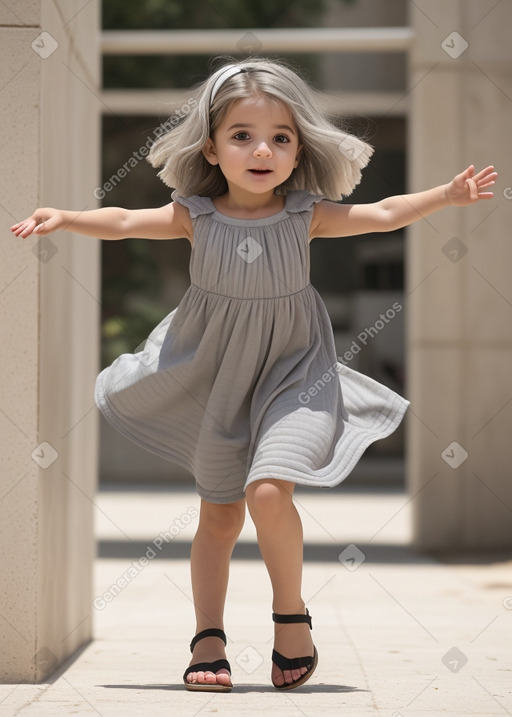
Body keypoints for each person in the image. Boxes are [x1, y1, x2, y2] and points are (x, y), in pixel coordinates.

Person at [11, 57, 496, 693]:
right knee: (218, 516)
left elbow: (382, 213)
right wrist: (68, 218)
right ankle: (207, 636)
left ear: (300, 152)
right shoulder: (196, 216)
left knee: (270, 491)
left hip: (298, 373)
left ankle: (291, 617)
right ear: (212, 146)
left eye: (281, 137)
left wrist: (446, 196)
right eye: (242, 135)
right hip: (217, 375)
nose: (262, 150)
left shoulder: (304, 215)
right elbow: (127, 221)